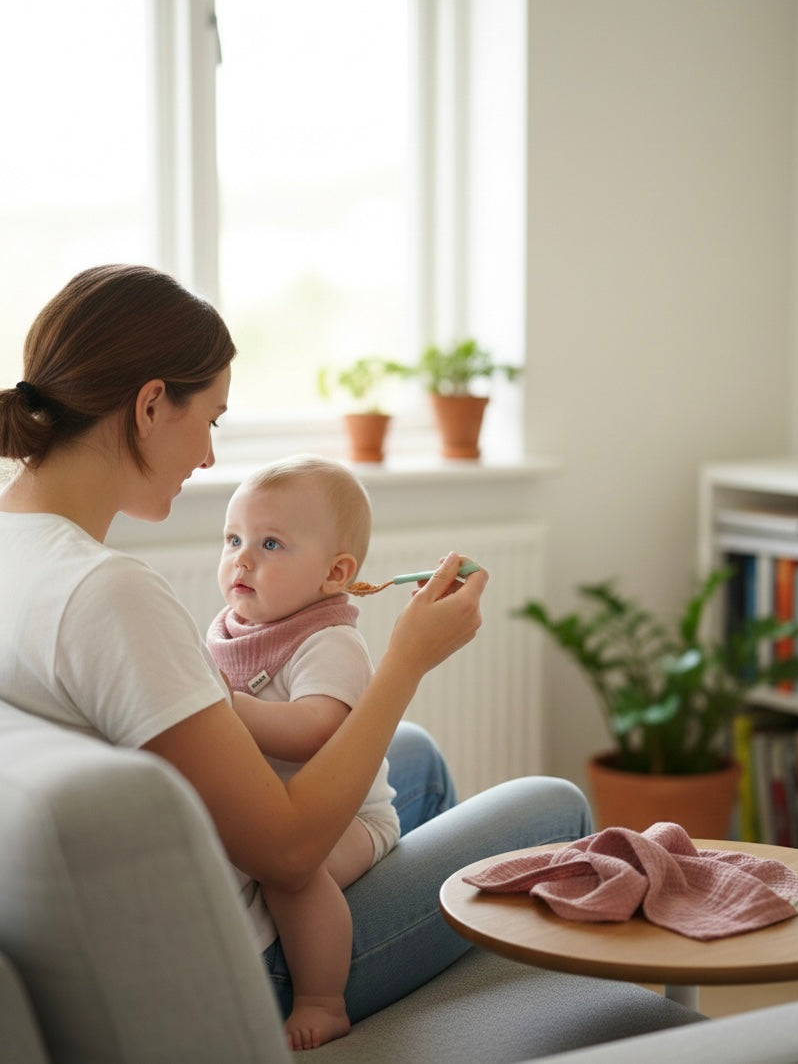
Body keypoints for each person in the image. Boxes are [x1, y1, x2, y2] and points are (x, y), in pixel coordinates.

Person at [0, 264, 592, 1051]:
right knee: (559, 808)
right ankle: (388, 1002)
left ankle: (447, 1018)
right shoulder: (108, 596)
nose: (208, 456)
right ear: (149, 405)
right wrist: (405, 663)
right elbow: (286, 851)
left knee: (411, 761)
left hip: (158, 886)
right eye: (208, 418)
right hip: (252, 957)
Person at [207, 455, 401, 1049]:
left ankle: (322, 997)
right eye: (234, 538)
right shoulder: (231, 629)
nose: (243, 558)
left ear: (334, 573)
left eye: (270, 544)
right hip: (279, 806)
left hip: (350, 819)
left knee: (292, 876)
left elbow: (316, 729)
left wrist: (224, 706)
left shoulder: (330, 641)